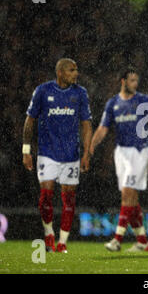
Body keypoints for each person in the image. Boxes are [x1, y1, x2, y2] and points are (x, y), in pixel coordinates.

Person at [90, 67, 148, 253]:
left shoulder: (144, 101)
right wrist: (91, 145)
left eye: (136, 80)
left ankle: (117, 239)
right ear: (123, 81)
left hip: (139, 152)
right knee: (132, 198)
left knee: (127, 195)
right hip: (121, 153)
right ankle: (142, 241)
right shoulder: (113, 103)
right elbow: (103, 128)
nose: (135, 84)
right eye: (131, 80)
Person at [22, 58, 93, 253]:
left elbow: (86, 124)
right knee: (45, 195)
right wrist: (26, 150)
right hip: (47, 153)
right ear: (60, 73)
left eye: (76, 69)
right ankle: (48, 233)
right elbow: (30, 120)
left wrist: (86, 153)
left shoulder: (80, 94)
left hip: (71, 154)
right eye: (72, 70)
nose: (76, 73)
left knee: (69, 198)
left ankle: (62, 242)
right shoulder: (43, 91)